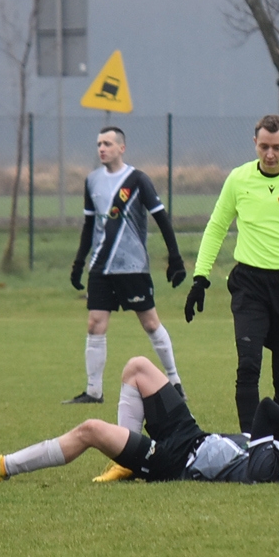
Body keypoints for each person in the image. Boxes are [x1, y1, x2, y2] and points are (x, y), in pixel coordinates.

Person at [0, 356, 279, 485]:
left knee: (90, 430)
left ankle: (1, 467)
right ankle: (124, 459)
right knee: (138, 367)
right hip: (193, 436)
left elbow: (267, 407)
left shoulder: (270, 466)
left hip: (174, 460)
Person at [184, 114, 279, 437]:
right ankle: (252, 445)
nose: (269, 154)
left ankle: (276, 445)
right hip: (249, 285)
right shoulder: (238, 180)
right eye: (263, 146)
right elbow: (216, 228)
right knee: (248, 366)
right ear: (255, 143)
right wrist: (200, 278)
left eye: (277, 147)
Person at [65, 126, 187, 404]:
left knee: (150, 323)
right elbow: (89, 225)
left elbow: (162, 219)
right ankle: (93, 391)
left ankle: (175, 380)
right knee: (95, 324)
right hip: (101, 268)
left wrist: (175, 258)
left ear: (122, 148)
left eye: (107, 143)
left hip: (132, 267)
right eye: (98, 144)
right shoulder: (92, 181)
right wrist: (78, 262)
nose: (101, 149)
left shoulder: (137, 180)